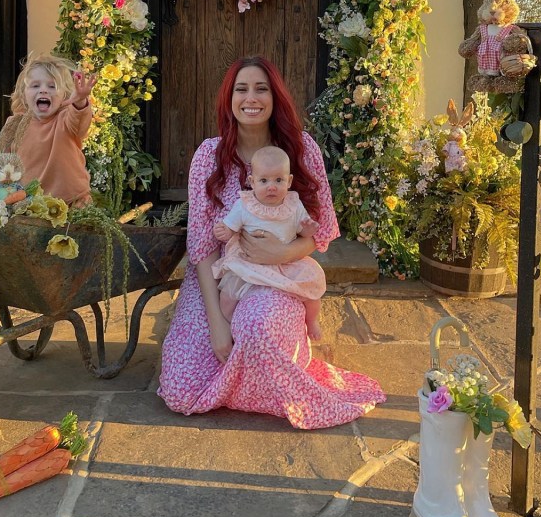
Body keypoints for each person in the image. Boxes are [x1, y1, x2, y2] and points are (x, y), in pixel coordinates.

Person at [158, 56, 386, 430]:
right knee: (183, 390)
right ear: (229, 99)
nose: (252, 98)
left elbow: (321, 229)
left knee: (258, 327)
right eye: (241, 89)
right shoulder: (208, 157)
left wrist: (283, 252)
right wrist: (216, 321)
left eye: (261, 88)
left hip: (279, 277)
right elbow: (201, 245)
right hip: (220, 280)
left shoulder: (301, 148)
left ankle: (281, 354)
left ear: (275, 97)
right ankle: (253, 371)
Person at [213, 145, 326, 340]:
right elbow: (231, 225)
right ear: (252, 182)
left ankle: (311, 320)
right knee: (227, 297)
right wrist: (225, 231)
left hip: (287, 262)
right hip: (250, 264)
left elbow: (303, 230)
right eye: (264, 180)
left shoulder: (293, 204)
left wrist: (308, 228)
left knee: (312, 291)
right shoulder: (245, 205)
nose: (271, 186)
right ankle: (231, 324)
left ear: (289, 181)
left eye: (279, 180)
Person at [0, 53, 97, 207]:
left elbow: (80, 123)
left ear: (65, 95)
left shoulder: (66, 119)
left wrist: (80, 101)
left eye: (52, 86)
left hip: (72, 204)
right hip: (28, 207)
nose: (43, 90)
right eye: (35, 85)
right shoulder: (15, 125)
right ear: (24, 94)